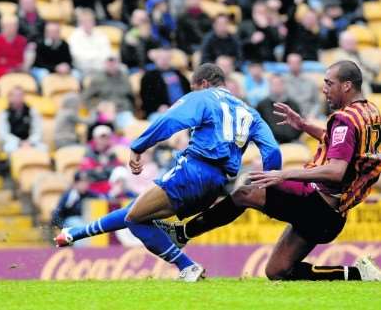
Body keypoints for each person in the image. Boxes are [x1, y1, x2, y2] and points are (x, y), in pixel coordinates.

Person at [55, 63, 282, 282]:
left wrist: (138, 146)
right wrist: (271, 184)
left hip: (192, 171)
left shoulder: (203, 96)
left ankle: (187, 266)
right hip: (216, 185)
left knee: (134, 218)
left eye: (193, 88)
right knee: (138, 211)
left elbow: (171, 119)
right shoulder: (251, 112)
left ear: (203, 83)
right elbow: (271, 149)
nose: (192, 92)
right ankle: (75, 233)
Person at [157, 60, 381, 282]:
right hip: (332, 216)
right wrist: (303, 125)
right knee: (277, 271)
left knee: (246, 192)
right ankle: (359, 274)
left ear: (347, 85)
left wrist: (284, 173)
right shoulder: (369, 112)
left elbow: (336, 171)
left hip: (318, 204)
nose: (324, 89)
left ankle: (182, 233)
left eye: (329, 83)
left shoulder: (344, 119)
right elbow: (343, 146)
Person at [139, 47, 191, 119]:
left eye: (166, 58)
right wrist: (158, 107)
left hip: (181, 108)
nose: (164, 61)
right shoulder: (149, 76)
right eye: (161, 58)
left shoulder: (178, 73)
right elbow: (146, 97)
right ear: (156, 59)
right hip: (159, 111)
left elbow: (188, 91)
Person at [0, 86, 46, 155]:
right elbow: (3, 133)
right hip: (13, 142)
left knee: (43, 148)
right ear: (10, 97)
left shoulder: (32, 111)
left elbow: (38, 130)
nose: (18, 98)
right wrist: (19, 142)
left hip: (30, 141)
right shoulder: (4, 113)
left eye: (20, 95)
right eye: (15, 95)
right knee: (10, 148)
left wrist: (30, 141)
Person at [257, 74, 302, 144]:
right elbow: (258, 126)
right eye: (274, 84)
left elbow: (299, 125)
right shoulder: (262, 105)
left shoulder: (293, 104)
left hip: (292, 141)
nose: (277, 87)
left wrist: (292, 137)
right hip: (270, 142)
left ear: (284, 86)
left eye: (279, 84)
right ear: (270, 86)